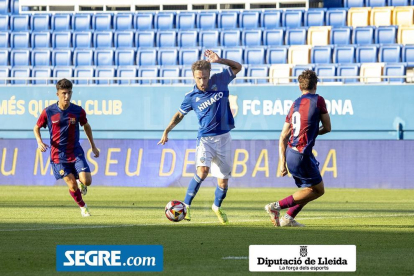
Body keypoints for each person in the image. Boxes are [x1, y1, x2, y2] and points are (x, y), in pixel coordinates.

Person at [158, 50, 242, 225]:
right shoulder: (191, 97)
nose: (202, 81)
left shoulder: (220, 80)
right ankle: (186, 206)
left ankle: (217, 207)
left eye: (205, 77)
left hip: (224, 138)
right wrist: (167, 130)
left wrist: (220, 60)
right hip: (205, 139)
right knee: (202, 171)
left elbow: (238, 67)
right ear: (193, 77)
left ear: (209, 74)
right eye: (199, 78)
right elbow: (179, 115)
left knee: (223, 182)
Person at [265, 70, 331, 227]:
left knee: (308, 190)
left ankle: (288, 218)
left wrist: (282, 163)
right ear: (316, 84)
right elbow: (328, 127)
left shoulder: (295, 104)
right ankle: (276, 206)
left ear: (300, 87)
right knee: (318, 190)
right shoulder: (318, 100)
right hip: (302, 153)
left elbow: (283, 136)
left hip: (292, 153)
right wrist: (315, 132)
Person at [33, 79, 99, 217]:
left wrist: (93, 146)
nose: (66, 96)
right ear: (57, 94)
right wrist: (39, 141)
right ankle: (83, 206)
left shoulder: (77, 111)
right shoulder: (49, 111)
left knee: (87, 181)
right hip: (58, 155)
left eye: (69, 93)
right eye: (64, 93)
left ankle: (82, 184)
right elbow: (36, 127)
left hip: (75, 151)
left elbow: (86, 125)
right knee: (72, 185)